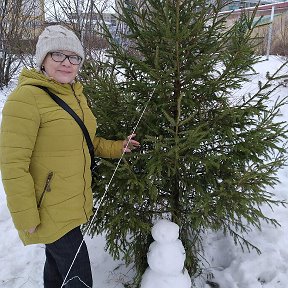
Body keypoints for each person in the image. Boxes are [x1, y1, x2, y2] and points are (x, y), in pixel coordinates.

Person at [0, 25, 139, 288]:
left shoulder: (75, 95)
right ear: (43, 59)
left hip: (72, 202)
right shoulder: (26, 98)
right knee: (79, 278)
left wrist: (117, 147)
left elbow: (86, 141)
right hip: (49, 209)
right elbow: (12, 165)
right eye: (57, 55)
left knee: (56, 268)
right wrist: (25, 215)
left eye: (73, 57)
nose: (67, 63)